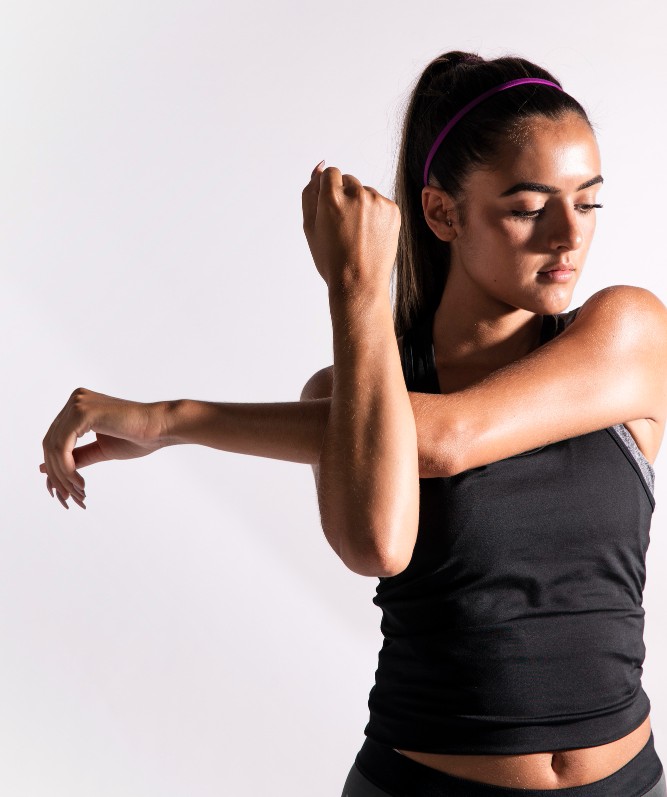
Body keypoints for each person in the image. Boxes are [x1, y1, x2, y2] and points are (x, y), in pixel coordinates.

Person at [40, 51, 667, 796]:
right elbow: (375, 543)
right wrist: (355, 289)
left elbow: (443, 440)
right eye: (528, 207)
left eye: (587, 201)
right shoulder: (342, 398)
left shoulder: (625, 335)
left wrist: (173, 418)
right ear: (441, 212)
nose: (567, 235)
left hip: (626, 782)